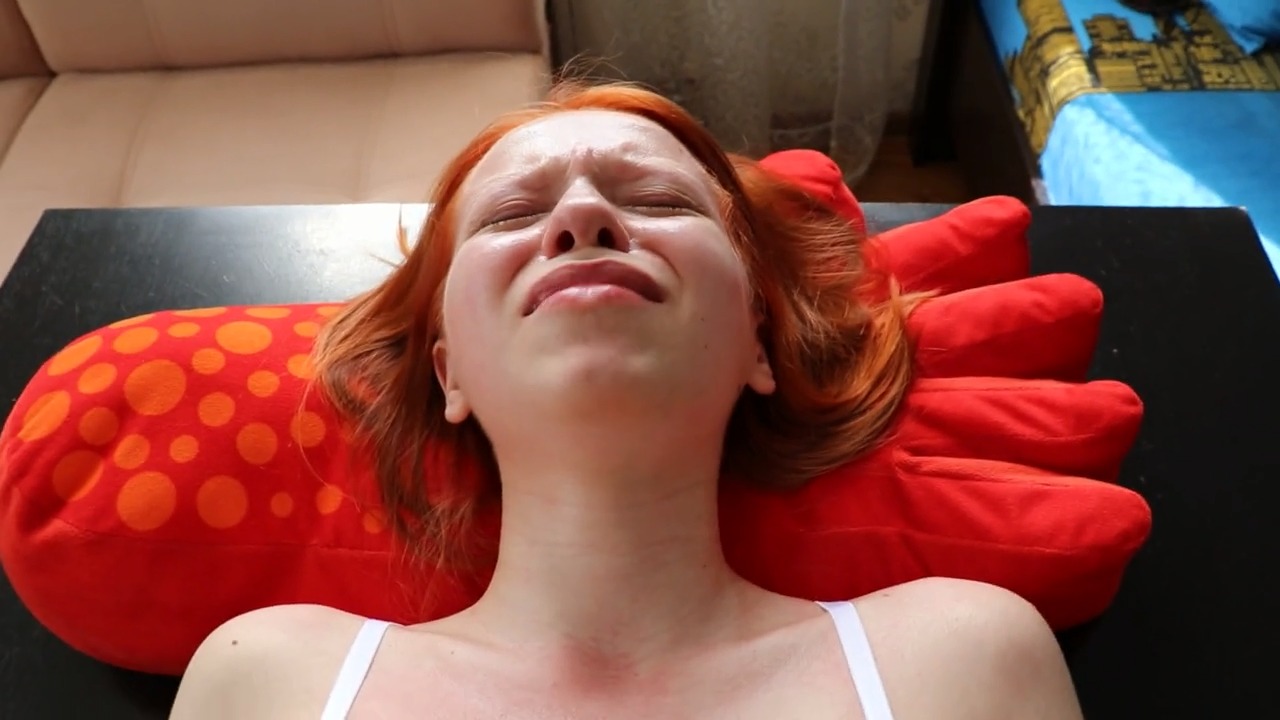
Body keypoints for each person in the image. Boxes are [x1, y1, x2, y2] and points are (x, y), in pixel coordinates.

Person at [169, 81, 1083, 719]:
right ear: (450, 375)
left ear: (758, 344)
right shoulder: (271, 680)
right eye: (511, 215)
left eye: (658, 201)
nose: (581, 219)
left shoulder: (960, 664)